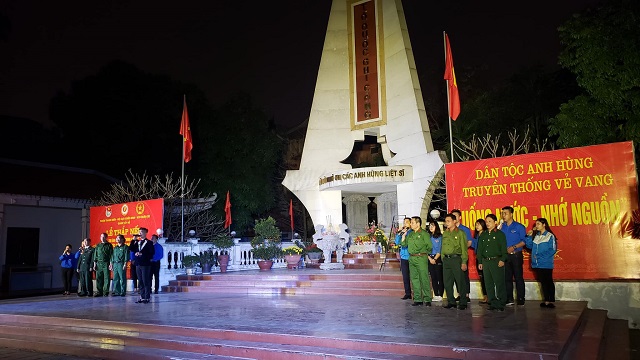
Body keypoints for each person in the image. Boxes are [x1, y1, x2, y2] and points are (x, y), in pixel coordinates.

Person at [524, 218, 557, 308]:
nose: (536, 226)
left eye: (538, 224)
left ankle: (551, 300)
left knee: (548, 281)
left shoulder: (550, 236)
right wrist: (529, 236)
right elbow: (529, 246)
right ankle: (546, 300)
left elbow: (553, 249)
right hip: (537, 263)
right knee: (542, 282)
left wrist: (540, 256)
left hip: (546, 263)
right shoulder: (536, 236)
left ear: (544, 225)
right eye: (536, 224)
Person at [477, 214, 508, 311]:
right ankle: (492, 302)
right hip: (486, 262)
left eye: (490, 221)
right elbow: (480, 250)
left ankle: (501, 302)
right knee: (488, 283)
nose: (487, 223)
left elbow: (504, 249)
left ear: (495, 222)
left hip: (496, 260)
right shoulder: (483, 235)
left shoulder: (500, 234)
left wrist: (503, 259)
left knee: (499, 282)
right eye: (486, 222)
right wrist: (480, 261)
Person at [401, 216, 432, 306]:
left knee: (424, 278)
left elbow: (429, 246)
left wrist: (423, 253)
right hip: (412, 258)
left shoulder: (424, 234)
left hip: (421, 257)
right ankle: (418, 298)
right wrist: (403, 236)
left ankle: (427, 299)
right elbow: (404, 244)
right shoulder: (410, 234)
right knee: (414, 279)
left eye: (412, 223)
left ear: (418, 224)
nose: (411, 224)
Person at [500, 206, 527, 306]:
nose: (503, 216)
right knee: (507, 278)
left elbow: (524, 241)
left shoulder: (519, 227)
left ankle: (521, 298)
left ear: (511, 214)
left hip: (516, 255)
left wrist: (514, 247)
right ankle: (509, 298)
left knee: (518, 277)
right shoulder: (502, 227)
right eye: (502, 213)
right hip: (506, 256)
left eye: (505, 213)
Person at [441, 213, 468, 309]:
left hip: (456, 259)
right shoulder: (445, 233)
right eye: (446, 221)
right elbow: (443, 246)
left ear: (454, 221)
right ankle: (451, 301)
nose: (446, 223)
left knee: (460, 281)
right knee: (447, 282)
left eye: (448, 221)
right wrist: (442, 257)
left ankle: (463, 302)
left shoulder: (460, 233)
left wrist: (464, 261)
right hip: (446, 259)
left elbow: (464, 248)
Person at [451, 209, 472, 303]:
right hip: (453, 257)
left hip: (462, 255)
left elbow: (469, 242)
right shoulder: (450, 230)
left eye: (455, 216)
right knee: (456, 275)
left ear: (460, 217)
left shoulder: (465, 229)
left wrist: (461, 249)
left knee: (464, 275)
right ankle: (460, 294)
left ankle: (466, 294)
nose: (453, 218)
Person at [130, 228, 155, 303]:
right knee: (140, 281)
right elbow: (131, 249)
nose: (140, 233)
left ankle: (147, 297)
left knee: (145, 280)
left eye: (141, 232)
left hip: (145, 264)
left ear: (145, 233)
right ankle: (142, 297)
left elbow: (151, 253)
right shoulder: (137, 242)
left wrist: (142, 254)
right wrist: (133, 240)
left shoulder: (149, 242)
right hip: (138, 264)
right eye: (139, 232)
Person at [394, 217, 412, 300]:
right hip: (404, 257)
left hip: (411, 256)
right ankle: (407, 293)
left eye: (407, 222)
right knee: (405, 276)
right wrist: (400, 233)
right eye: (404, 222)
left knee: (414, 276)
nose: (405, 224)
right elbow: (397, 242)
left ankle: (417, 293)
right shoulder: (402, 233)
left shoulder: (412, 232)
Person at [426, 220, 444, 302]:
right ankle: (436, 294)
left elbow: (440, 249)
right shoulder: (427, 237)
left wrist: (435, 259)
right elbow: (425, 249)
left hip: (437, 258)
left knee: (439, 277)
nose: (431, 227)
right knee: (433, 277)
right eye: (430, 225)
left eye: (432, 225)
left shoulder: (440, 237)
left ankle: (440, 294)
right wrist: (430, 258)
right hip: (429, 258)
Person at [472, 219, 489, 304]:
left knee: (487, 278)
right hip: (478, 258)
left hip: (484, 258)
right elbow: (474, 245)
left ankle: (490, 296)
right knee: (482, 278)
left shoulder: (486, 235)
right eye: (476, 225)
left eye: (479, 224)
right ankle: (485, 296)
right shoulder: (477, 236)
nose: (477, 226)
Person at [93, 232, 113, 297]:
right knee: (99, 278)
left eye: (104, 237)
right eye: (101, 237)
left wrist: (110, 264)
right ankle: (99, 291)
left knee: (106, 278)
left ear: (106, 237)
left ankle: (105, 292)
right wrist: (94, 264)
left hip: (106, 263)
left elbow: (111, 255)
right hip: (99, 263)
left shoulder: (109, 245)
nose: (102, 238)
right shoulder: (98, 245)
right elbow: (95, 256)